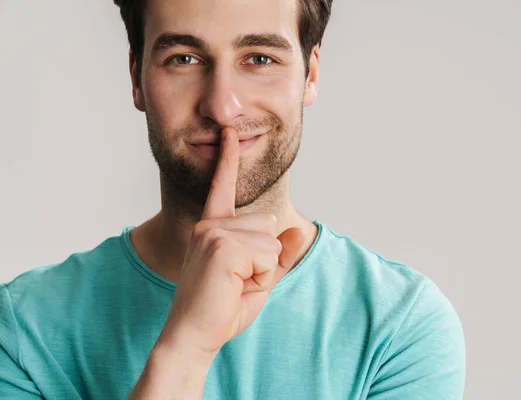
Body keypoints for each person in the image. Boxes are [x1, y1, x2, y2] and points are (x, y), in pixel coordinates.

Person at [0, 0, 466, 398]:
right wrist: (188, 345)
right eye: (183, 59)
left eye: (260, 58)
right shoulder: (23, 330)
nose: (223, 107)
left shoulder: (399, 326)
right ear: (136, 77)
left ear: (310, 76)